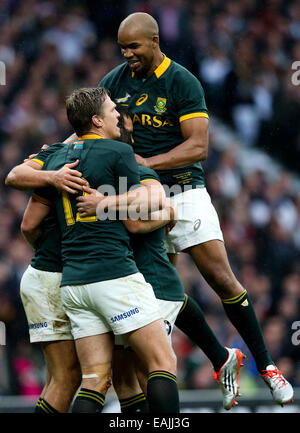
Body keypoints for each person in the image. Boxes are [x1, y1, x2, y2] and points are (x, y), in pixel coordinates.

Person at [97, 12, 294, 406]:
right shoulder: (113, 82)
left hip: (185, 191)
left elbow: (198, 146)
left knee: (221, 280)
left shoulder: (183, 82)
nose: (127, 54)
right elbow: (92, 126)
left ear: (154, 41)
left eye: (133, 47)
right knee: (164, 288)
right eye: (122, 48)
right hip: (139, 196)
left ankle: (268, 365)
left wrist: (145, 163)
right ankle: (222, 359)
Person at [77, 106, 246, 411]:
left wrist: (163, 210)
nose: (126, 132)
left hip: (152, 285)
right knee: (124, 378)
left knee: (151, 368)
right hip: (120, 286)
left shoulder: (138, 173)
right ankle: (222, 356)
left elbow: (135, 223)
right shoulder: (97, 170)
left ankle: (219, 359)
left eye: (125, 126)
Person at [31, 86, 180, 413]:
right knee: (162, 361)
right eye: (113, 111)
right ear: (97, 120)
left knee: (95, 378)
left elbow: (26, 215)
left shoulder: (55, 158)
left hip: (73, 282)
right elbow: (142, 206)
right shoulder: (118, 152)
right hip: (112, 273)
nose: (120, 117)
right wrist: (109, 203)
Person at [19, 196, 81, 413]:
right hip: (49, 278)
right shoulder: (58, 170)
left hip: (48, 278)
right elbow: (27, 225)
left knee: (57, 377)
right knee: (68, 376)